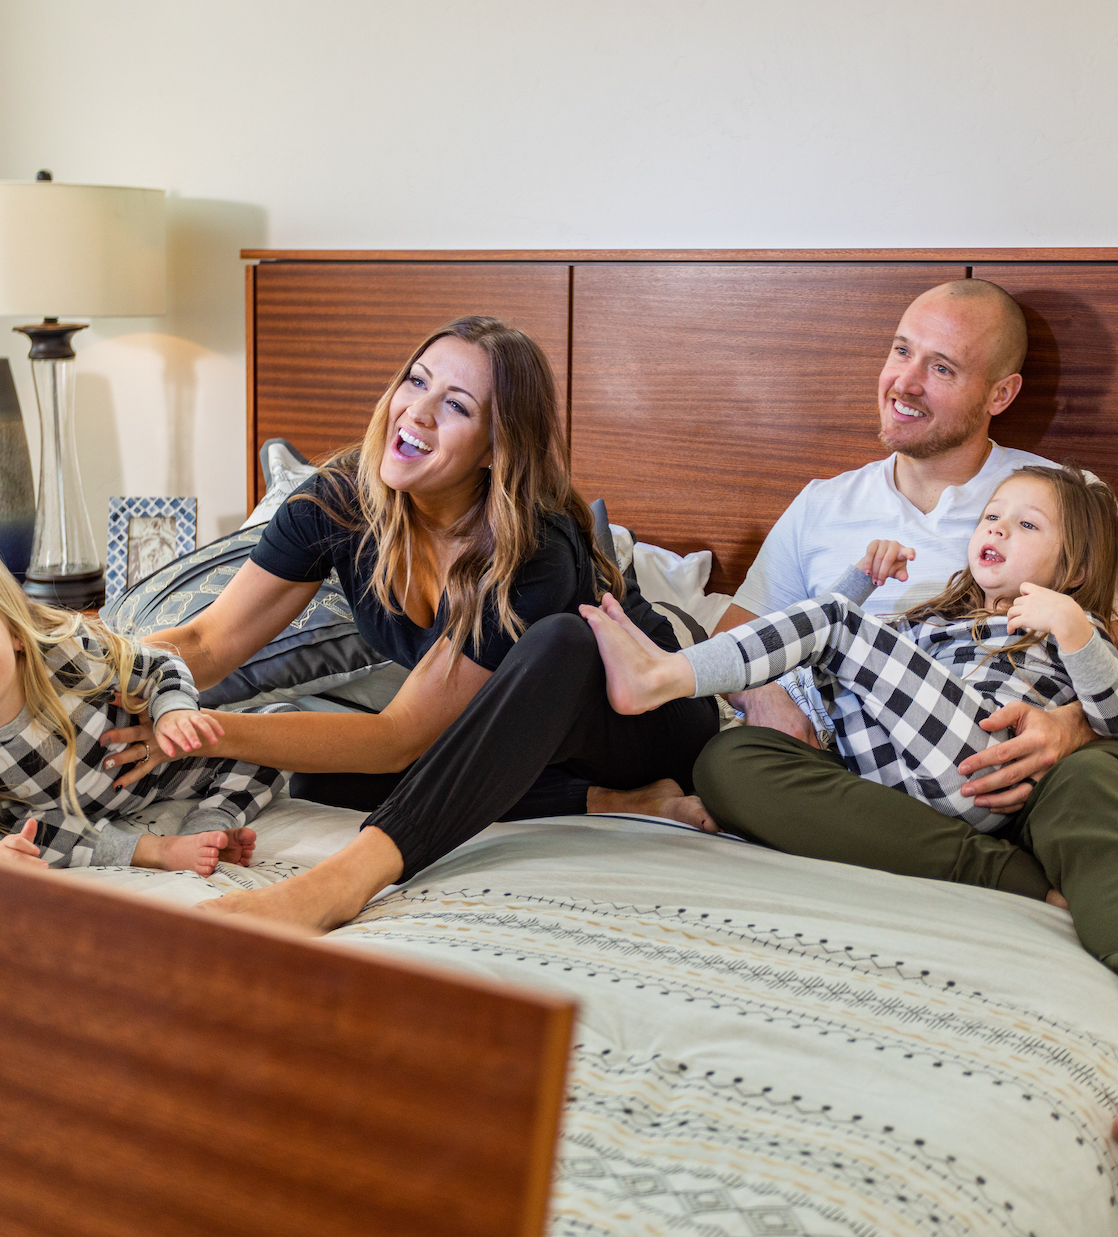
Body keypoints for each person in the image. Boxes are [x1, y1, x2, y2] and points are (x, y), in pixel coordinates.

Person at [691, 278, 1118, 1184]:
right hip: (886, 787)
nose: (905, 381)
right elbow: (741, 628)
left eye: (941, 366)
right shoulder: (826, 504)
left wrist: (1070, 728)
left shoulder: (1059, 496)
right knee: (730, 760)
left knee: (1100, 784)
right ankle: (1077, 888)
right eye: (900, 350)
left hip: (1043, 776)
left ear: (997, 394)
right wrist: (768, 700)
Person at [101, 315, 720, 930]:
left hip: (641, 726)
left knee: (560, 640)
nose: (417, 414)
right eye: (416, 382)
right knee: (319, 772)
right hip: (518, 750)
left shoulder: (532, 548)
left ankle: (340, 884)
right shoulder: (336, 505)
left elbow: (401, 737)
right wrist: (74, 667)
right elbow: (207, 641)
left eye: (455, 405)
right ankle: (603, 805)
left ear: (496, 447)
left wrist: (200, 729)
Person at [584, 465, 1118, 835]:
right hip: (888, 777)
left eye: (1026, 524)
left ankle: (661, 674)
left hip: (980, 767)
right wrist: (860, 581)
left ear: (1074, 568)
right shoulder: (946, 617)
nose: (997, 531)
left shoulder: (1069, 628)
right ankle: (640, 620)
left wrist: (1074, 624)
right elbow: (829, 651)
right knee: (823, 648)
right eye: (990, 517)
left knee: (836, 624)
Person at [0, 532, 282, 876]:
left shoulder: (69, 657)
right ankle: (160, 852)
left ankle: (211, 823)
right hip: (62, 820)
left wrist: (173, 711)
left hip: (166, 770)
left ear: (15, 632)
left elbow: (160, 664)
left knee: (274, 736)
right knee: (24, 836)